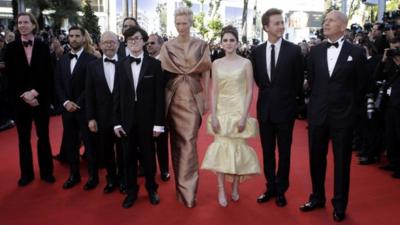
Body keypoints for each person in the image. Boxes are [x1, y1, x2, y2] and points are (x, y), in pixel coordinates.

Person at [299, 11, 367, 222]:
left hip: (343, 117)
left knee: (342, 163)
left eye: (330, 20)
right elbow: (312, 81)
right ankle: (317, 197)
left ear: (343, 26)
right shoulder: (315, 52)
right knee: (316, 159)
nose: (325, 23)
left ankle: (339, 205)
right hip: (318, 115)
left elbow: (362, 86)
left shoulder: (356, 52)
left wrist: (350, 111)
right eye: (325, 20)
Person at [201, 25, 260, 207]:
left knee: (237, 150)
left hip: (238, 109)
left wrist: (244, 115)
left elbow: (249, 90)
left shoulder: (246, 63)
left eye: (232, 40)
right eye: (225, 40)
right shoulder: (216, 64)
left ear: (237, 42)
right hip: (222, 110)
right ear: (221, 42)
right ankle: (220, 189)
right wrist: (214, 114)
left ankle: (235, 187)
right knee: (221, 149)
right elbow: (214, 91)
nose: (228, 43)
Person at [159, 6, 211, 208]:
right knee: (177, 143)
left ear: (191, 23)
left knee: (189, 142)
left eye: (184, 23)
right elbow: (162, 74)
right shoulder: (167, 46)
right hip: (172, 98)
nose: (181, 27)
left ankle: (189, 192)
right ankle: (181, 189)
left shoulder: (201, 45)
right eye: (178, 23)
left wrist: (206, 98)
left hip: (193, 98)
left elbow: (206, 71)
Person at [251, 8, 304, 207]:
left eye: (282, 22)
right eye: (276, 23)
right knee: (267, 152)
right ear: (266, 27)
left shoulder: (294, 50)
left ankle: (281, 190)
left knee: (284, 152)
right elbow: (259, 79)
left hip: (286, 110)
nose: (281, 26)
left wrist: (291, 102)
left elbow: (298, 80)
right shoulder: (256, 52)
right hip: (265, 111)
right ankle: (270, 187)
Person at [113, 26, 165, 208]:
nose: (133, 42)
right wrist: (116, 122)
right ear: (126, 43)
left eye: (136, 38)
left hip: (148, 120)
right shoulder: (121, 65)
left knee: (149, 157)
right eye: (129, 39)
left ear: (144, 41)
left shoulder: (155, 65)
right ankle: (131, 191)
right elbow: (116, 95)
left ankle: (152, 189)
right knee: (127, 159)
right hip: (126, 121)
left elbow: (160, 97)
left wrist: (159, 124)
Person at [3, 12, 55, 186]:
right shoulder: (9, 48)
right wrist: (24, 94)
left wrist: (35, 92)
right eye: (20, 22)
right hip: (20, 100)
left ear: (34, 25)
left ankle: (47, 172)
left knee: (43, 136)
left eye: (26, 22)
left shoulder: (43, 46)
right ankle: (26, 174)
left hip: (40, 99)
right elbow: (10, 77)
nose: (23, 25)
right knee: (23, 138)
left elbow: (48, 74)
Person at [54, 26, 97, 190]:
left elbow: (91, 86)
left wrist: (77, 103)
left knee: (89, 143)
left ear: (83, 38)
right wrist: (66, 102)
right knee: (71, 143)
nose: (73, 39)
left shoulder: (91, 59)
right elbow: (57, 84)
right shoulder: (63, 60)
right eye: (71, 36)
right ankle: (74, 175)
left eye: (77, 36)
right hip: (67, 110)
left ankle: (93, 177)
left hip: (85, 109)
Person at [85, 31, 125, 193]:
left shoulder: (126, 63)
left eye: (112, 42)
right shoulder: (92, 66)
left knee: (123, 151)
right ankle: (111, 179)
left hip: (122, 116)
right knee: (107, 150)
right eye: (105, 42)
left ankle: (123, 179)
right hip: (101, 117)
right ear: (100, 45)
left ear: (118, 44)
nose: (109, 45)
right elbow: (89, 94)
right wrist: (91, 118)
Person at [146, 33, 170, 181]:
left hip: (162, 108)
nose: (149, 45)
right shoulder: (143, 61)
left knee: (161, 142)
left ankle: (165, 170)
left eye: (152, 43)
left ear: (161, 45)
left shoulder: (166, 63)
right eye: (147, 43)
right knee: (147, 142)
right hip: (145, 108)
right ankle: (150, 169)